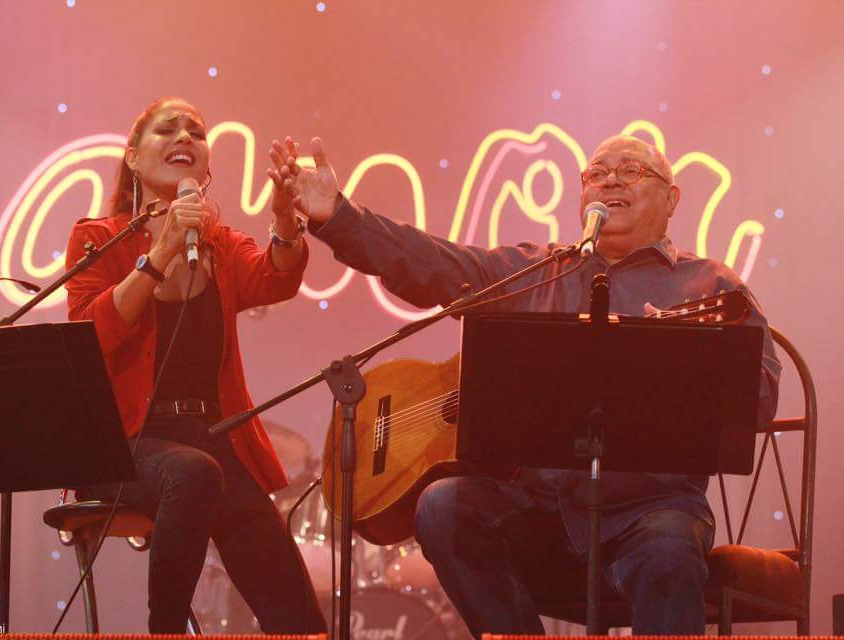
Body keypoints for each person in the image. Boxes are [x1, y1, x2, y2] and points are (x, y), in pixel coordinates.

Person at [269, 134, 781, 637]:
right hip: (539, 509)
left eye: (630, 171)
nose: (610, 183)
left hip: (648, 511)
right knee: (445, 506)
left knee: (669, 548)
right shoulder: (540, 271)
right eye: (597, 174)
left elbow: (756, 400)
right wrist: (336, 215)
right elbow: (431, 262)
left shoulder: (713, 285)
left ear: (671, 199)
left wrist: (682, 367)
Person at [64, 97, 325, 634]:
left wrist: (284, 219)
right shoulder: (96, 238)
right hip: (124, 444)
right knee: (193, 471)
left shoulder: (220, 245)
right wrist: (156, 256)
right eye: (168, 129)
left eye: (197, 133)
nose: (185, 137)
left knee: (295, 615)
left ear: (205, 168)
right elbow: (88, 337)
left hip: (215, 439)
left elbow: (275, 278)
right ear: (133, 158)